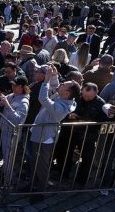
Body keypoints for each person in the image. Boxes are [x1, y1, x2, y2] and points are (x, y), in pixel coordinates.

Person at [23, 65, 79, 202]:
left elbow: (43, 99)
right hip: (38, 132)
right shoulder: (63, 97)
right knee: (34, 162)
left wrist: (47, 80)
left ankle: (40, 192)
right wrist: (53, 76)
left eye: (64, 84)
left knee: (42, 166)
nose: (61, 83)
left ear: (67, 93)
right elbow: (56, 86)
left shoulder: (62, 107)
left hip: (44, 138)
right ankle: (32, 185)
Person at [0, 75, 30, 184]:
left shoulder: (24, 102)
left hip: (12, 133)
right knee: (6, 156)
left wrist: (7, 105)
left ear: (22, 87)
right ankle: (6, 175)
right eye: (12, 84)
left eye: (15, 85)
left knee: (9, 158)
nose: (13, 86)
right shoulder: (12, 95)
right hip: (5, 130)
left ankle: (8, 180)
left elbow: (18, 119)